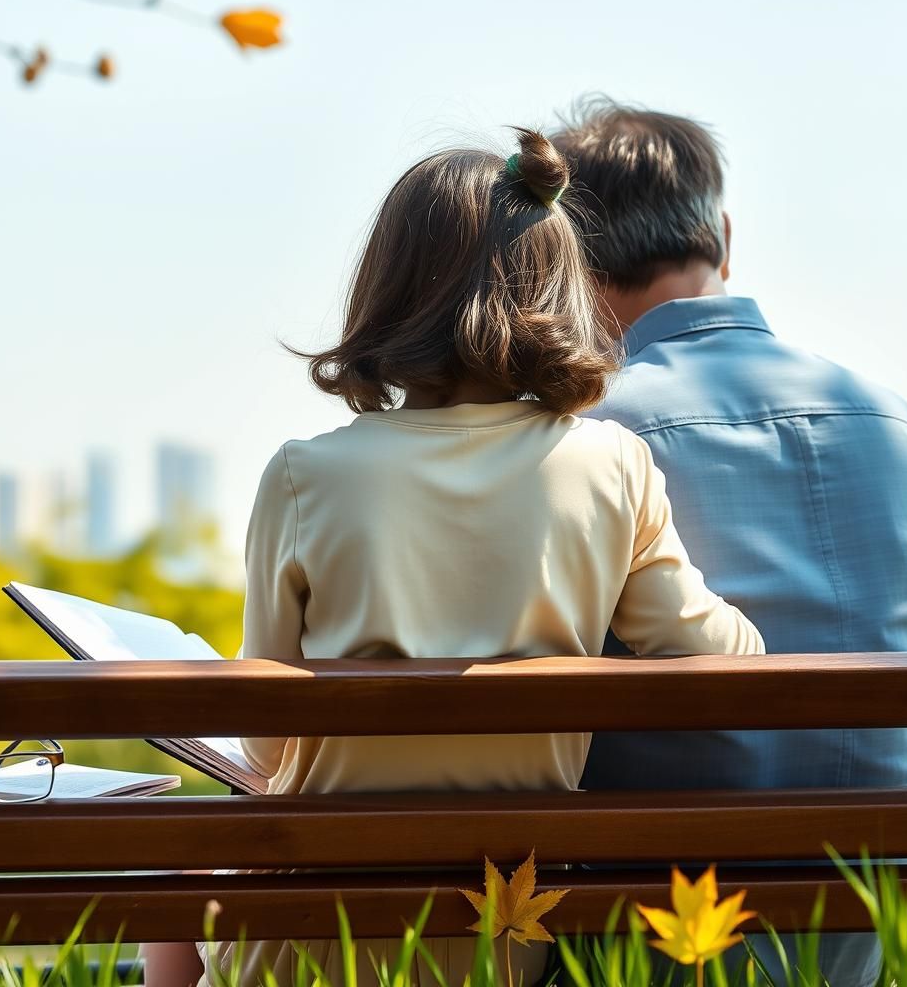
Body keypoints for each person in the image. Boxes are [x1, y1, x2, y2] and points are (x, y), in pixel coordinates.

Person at [143, 129, 764, 987]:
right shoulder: (611, 465)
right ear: (560, 287)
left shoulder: (306, 476)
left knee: (180, 876)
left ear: (389, 291)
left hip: (313, 937)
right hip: (500, 937)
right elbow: (716, 656)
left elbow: (267, 739)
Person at [550, 100, 907, 986]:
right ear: (723, 238)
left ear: (564, 261)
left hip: (659, 938)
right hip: (868, 929)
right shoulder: (894, 422)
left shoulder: (584, 444)